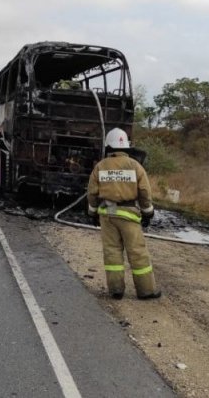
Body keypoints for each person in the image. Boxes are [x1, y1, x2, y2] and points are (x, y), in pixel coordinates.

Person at [87, 128, 160, 301]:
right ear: (126, 146)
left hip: (108, 213)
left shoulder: (100, 166)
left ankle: (116, 290)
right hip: (129, 214)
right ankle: (146, 291)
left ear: (109, 146)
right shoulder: (135, 166)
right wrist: (148, 213)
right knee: (137, 252)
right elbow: (144, 192)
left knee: (112, 252)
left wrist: (92, 213)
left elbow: (92, 193)